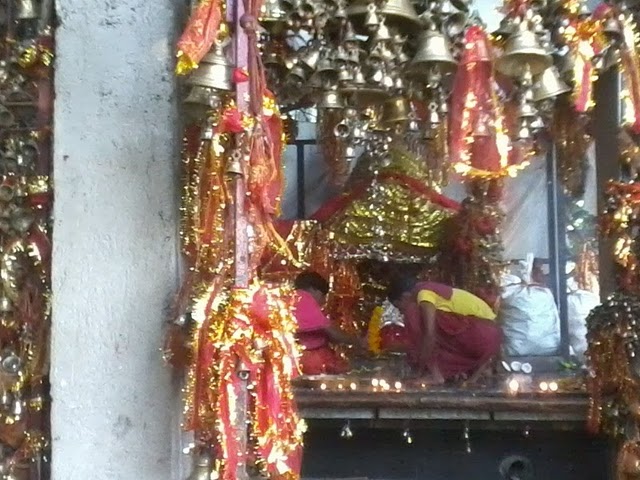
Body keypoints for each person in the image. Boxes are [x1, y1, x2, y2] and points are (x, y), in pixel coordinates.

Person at [387, 276, 502, 384]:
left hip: (481, 335)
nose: (401, 312)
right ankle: (473, 369)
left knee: (412, 313)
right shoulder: (430, 289)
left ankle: (435, 374)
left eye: (399, 306)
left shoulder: (424, 294)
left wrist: (419, 370)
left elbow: (429, 334)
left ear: (405, 296)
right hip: (492, 339)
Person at [293, 271, 365, 375]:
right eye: (322, 296)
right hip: (312, 360)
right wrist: (357, 341)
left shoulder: (290, 299)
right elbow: (332, 332)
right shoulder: (304, 299)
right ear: (313, 289)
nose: (323, 302)